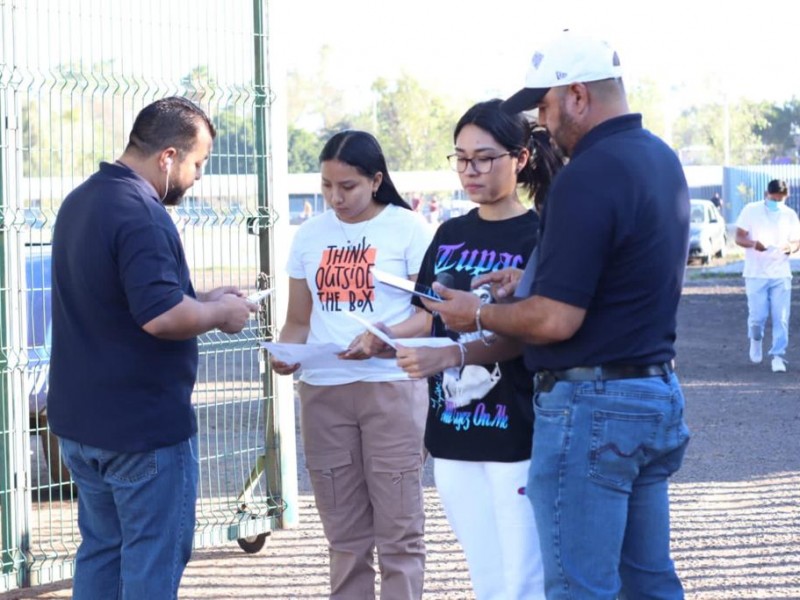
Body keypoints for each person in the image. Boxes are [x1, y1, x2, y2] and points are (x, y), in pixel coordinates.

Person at [423, 31, 692, 598]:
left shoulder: (586, 174)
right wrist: (530, 280)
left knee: (578, 587)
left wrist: (478, 311)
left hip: (593, 405)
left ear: (576, 96)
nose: (540, 123)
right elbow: (626, 276)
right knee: (648, 583)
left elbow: (555, 322)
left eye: (543, 106)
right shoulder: (659, 159)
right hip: (652, 393)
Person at [47, 96, 257, 599]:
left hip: (83, 424)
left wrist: (203, 298)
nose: (197, 176)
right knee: (150, 564)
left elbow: (124, 298)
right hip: (141, 430)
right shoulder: (141, 211)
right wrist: (221, 315)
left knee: (101, 552)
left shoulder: (83, 200)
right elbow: (161, 317)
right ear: (167, 156)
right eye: (197, 163)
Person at [358, 99, 564, 599]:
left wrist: (449, 356)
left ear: (520, 158)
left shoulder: (542, 233)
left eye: (484, 158)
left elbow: (532, 330)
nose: (470, 170)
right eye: (461, 157)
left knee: (524, 582)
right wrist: (381, 339)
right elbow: (427, 313)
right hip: (452, 433)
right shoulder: (449, 232)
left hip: (517, 432)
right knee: (487, 579)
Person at [269, 130, 433, 599]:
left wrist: (383, 339)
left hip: (391, 387)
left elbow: (429, 317)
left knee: (400, 530)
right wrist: (286, 353)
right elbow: (298, 321)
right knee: (344, 535)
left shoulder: (409, 229)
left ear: (376, 180)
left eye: (348, 187)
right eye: (326, 187)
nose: (335, 198)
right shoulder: (310, 235)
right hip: (324, 390)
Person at [734, 179, 800, 373]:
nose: (777, 203)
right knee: (758, 316)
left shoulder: (789, 215)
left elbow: (797, 241)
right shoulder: (751, 210)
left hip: (780, 273)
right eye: (774, 199)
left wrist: (791, 247)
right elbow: (739, 237)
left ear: (786, 197)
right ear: (767, 194)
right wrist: (754, 244)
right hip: (756, 273)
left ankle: (778, 355)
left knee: (781, 316)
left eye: (781, 199)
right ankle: (756, 339)